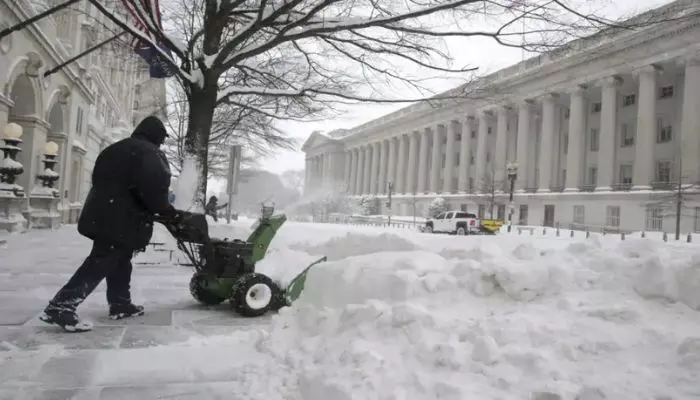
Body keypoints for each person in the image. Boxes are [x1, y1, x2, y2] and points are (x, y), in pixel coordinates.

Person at [40, 116, 177, 333]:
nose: (161, 142)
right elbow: (154, 187)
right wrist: (165, 208)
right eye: (161, 138)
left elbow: (100, 180)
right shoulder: (149, 153)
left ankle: (120, 303)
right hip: (123, 219)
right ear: (156, 135)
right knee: (102, 260)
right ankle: (61, 304)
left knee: (120, 257)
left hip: (102, 214)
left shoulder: (114, 149)